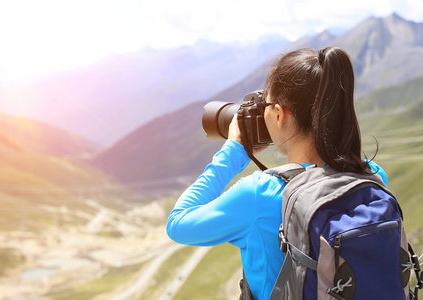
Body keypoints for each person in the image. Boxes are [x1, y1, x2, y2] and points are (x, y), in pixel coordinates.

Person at [166, 47, 387, 300]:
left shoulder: (260, 194)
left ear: (280, 115)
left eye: (267, 105)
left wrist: (234, 150)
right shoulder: (373, 177)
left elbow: (178, 223)